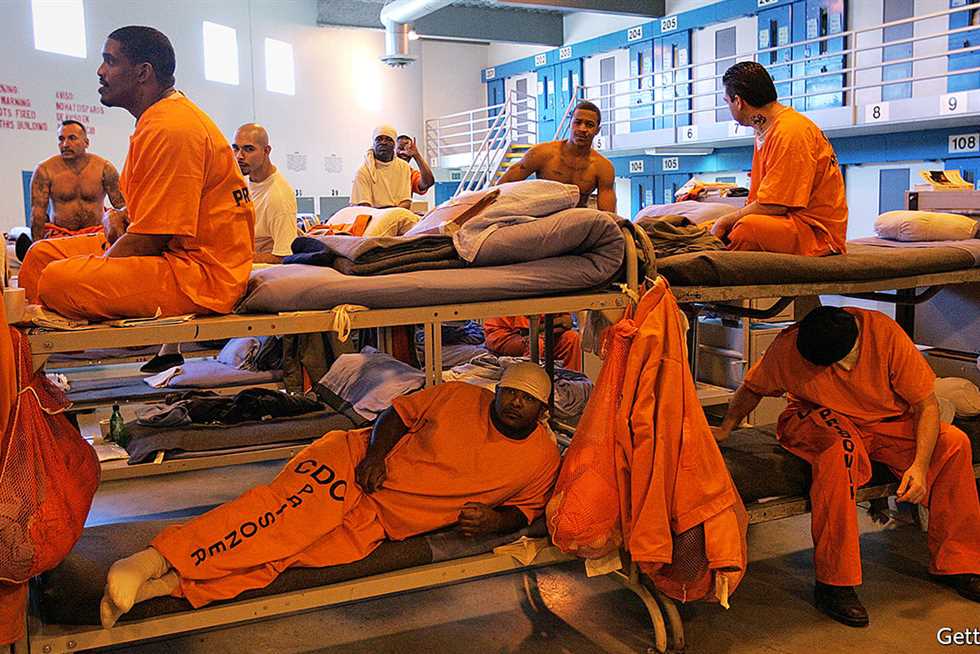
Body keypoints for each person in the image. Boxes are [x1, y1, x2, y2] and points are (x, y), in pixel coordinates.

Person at [98, 363, 561, 627]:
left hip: (382, 521)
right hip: (350, 464)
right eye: (509, 392)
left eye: (527, 399)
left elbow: (525, 511)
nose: (515, 403)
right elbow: (395, 416)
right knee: (280, 519)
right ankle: (152, 559)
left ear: (543, 410)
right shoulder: (459, 396)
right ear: (497, 390)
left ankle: (168, 586)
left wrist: (495, 522)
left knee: (290, 555)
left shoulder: (541, 458)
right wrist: (375, 457)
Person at [713, 306, 980, 627]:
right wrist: (726, 427)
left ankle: (959, 563)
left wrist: (920, 467)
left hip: (884, 421)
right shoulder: (788, 345)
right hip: (818, 415)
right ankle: (834, 583)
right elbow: (753, 388)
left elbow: (926, 404)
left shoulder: (885, 335)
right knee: (840, 454)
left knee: (953, 444)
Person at [17, 26, 254, 320]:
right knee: (40, 256)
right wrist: (117, 216)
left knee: (57, 279)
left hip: (200, 275)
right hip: (166, 252)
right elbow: (149, 214)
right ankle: (27, 349)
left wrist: (101, 266)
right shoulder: (155, 120)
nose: (100, 71)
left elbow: (151, 239)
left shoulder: (173, 127)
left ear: (143, 72)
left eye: (110, 61)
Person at [140, 123, 296, 373]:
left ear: (267, 151)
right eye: (235, 148)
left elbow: (283, 256)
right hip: (236, 260)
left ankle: (170, 347)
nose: (239, 156)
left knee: (189, 274)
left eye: (248, 149)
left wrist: (234, 257)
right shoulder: (242, 183)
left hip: (254, 269)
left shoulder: (278, 196)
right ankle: (169, 347)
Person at [709, 62, 848, 255]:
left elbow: (776, 205)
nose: (729, 107)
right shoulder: (764, 130)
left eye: (727, 102)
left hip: (816, 233)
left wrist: (726, 221)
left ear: (738, 101)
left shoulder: (790, 131)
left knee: (745, 229)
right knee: (710, 227)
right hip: (789, 222)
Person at [21, 120, 126, 257]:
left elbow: (122, 206)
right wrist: (36, 247)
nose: (65, 144)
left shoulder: (104, 168)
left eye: (72, 138)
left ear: (86, 142)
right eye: (61, 139)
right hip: (60, 236)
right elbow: (38, 214)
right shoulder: (44, 170)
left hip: (97, 234)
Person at [496, 101, 616, 212]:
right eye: (578, 122)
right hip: (542, 218)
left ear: (597, 130)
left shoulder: (603, 167)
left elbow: (608, 214)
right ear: (570, 124)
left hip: (577, 220)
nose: (582, 129)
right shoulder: (542, 153)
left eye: (589, 125)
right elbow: (501, 187)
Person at [484, 314, 582, 372]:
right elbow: (527, 330)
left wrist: (549, 329)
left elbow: (567, 323)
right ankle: (530, 383)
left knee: (572, 337)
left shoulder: (558, 289)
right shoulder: (529, 288)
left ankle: (571, 380)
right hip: (504, 334)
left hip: (540, 332)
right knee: (535, 343)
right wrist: (559, 321)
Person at [351, 125, 412, 209]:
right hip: (372, 215)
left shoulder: (404, 167)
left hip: (398, 213)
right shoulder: (363, 171)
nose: (383, 142)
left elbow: (406, 202)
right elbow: (364, 207)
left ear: (394, 145)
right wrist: (386, 214)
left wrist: (393, 214)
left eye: (388, 139)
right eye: (379, 139)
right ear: (374, 144)